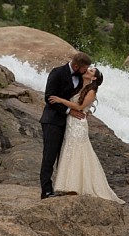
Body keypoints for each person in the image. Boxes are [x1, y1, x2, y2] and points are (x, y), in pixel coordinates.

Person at [48, 67, 125, 204]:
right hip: (71, 122)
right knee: (69, 150)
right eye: (88, 69)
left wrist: (60, 100)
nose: (87, 71)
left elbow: (79, 107)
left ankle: (77, 185)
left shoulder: (91, 91)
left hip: (78, 124)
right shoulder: (79, 85)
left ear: (93, 78)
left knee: (79, 151)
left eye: (90, 71)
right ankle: (68, 185)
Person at [40, 52, 91, 199]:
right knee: (49, 156)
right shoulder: (57, 73)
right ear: (76, 66)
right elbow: (48, 98)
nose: (86, 71)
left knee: (64, 157)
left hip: (70, 125)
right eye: (84, 68)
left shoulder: (81, 78)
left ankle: (63, 186)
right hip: (52, 121)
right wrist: (69, 111)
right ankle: (46, 191)